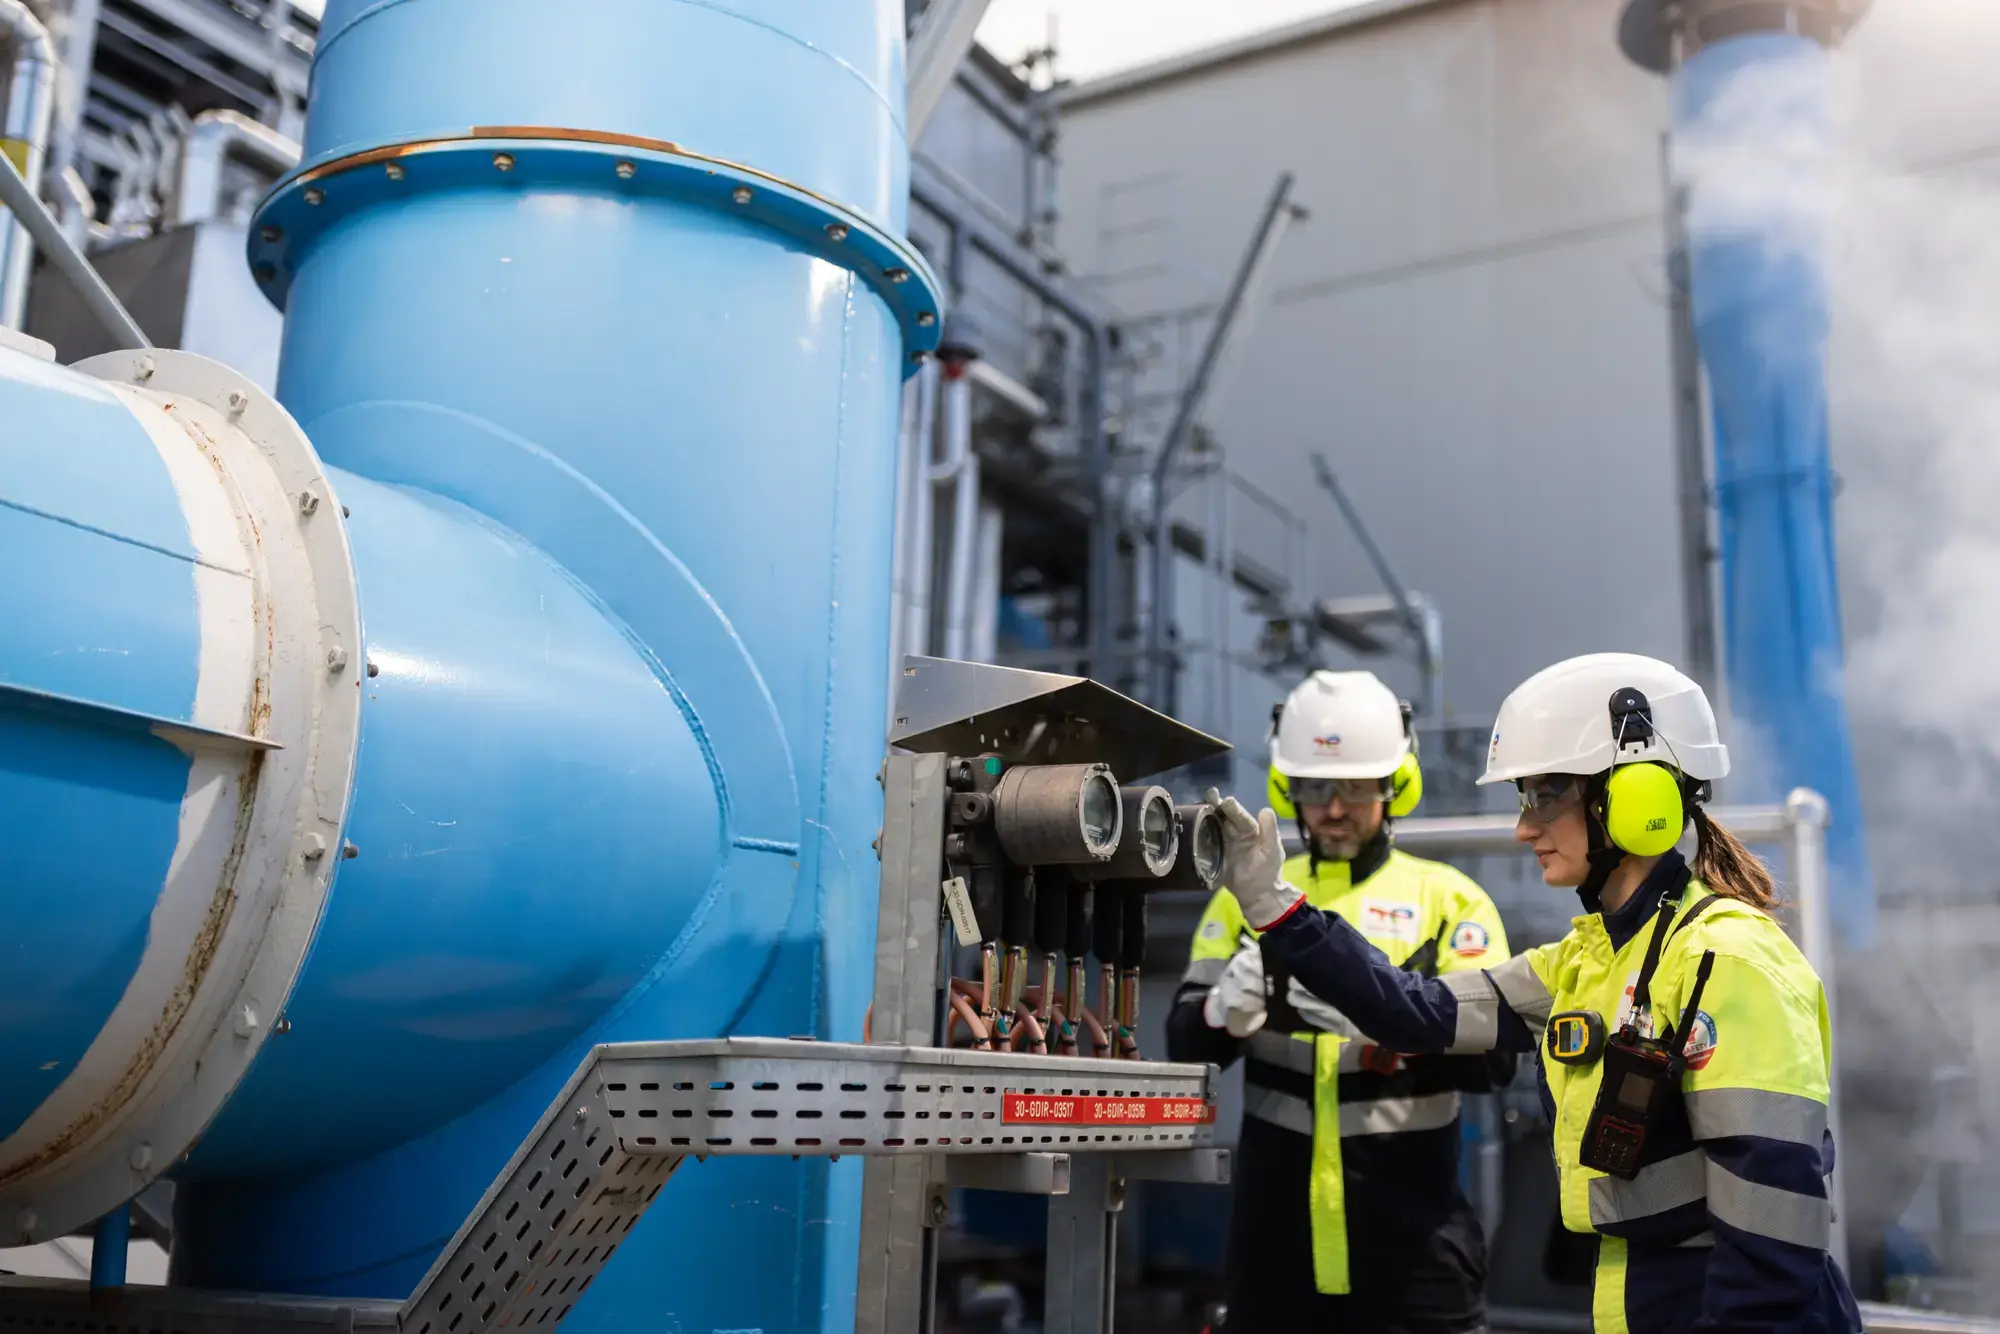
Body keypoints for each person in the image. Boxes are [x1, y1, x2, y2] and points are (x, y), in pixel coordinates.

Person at [1213, 653, 1861, 1334]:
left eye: (1546, 795)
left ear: (1632, 797)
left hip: (1724, 1305)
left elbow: (1772, 1240)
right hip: (1647, 1296)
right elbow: (1415, 1011)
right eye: (1525, 799)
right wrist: (1277, 908)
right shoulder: (1585, 962)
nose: (1525, 827)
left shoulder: (1728, 959)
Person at [1166, 670, 1515, 1334]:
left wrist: (1391, 1017)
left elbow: (1493, 1063)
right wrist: (1219, 1013)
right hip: (1274, 1246)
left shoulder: (1450, 901)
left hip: (1414, 1248)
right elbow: (1185, 1044)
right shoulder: (1247, 893)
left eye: (1354, 787)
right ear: (1285, 787)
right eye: (1315, 787)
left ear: (1394, 784)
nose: (1332, 808)